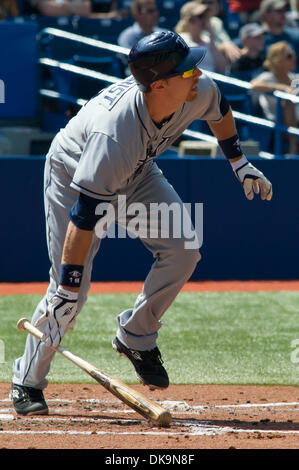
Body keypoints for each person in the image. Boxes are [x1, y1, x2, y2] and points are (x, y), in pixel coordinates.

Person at [11, 30, 272, 416]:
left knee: (183, 251)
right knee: (70, 291)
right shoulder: (114, 133)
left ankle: (136, 335)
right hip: (74, 173)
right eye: (187, 70)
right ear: (159, 84)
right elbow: (84, 218)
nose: (197, 73)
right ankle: (27, 381)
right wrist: (68, 284)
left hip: (137, 171)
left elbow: (221, 109)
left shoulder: (194, 89)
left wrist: (239, 162)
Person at [251, 40, 299, 154]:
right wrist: (281, 87)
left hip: (296, 123)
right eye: (289, 56)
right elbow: (253, 85)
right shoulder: (268, 77)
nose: (294, 59)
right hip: (276, 125)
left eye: (293, 55)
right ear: (277, 60)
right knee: (287, 102)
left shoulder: (295, 78)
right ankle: (294, 147)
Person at [175, 1, 227, 73]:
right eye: (200, 16)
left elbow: (222, 69)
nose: (204, 20)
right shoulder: (181, 40)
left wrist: (211, 36)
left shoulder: (209, 40)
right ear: (189, 20)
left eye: (206, 16)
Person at [117, 0, 166, 74]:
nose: (156, 14)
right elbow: (134, 63)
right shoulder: (128, 36)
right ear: (136, 15)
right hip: (137, 80)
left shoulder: (164, 33)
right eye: (150, 11)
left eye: (156, 10)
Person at [259, 0, 299, 71]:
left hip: (294, 79)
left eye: (285, 11)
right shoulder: (257, 37)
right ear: (266, 15)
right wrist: (231, 45)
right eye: (279, 11)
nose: (284, 14)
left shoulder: (296, 35)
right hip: (268, 80)